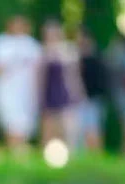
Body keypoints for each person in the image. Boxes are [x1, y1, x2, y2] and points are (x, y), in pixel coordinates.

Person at [0, 15, 42, 152]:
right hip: (5, 91)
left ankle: (19, 152)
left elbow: (40, 71)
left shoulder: (32, 45)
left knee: (25, 125)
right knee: (11, 123)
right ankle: (15, 151)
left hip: (27, 93)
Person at [38, 19, 85, 151]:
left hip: (66, 93)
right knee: (48, 129)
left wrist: (78, 93)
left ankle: (72, 154)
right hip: (49, 94)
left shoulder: (69, 50)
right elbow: (40, 78)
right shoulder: (43, 52)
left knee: (69, 128)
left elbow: (74, 76)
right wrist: (39, 97)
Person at [77, 27, 108, 150]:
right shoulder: (77, 57)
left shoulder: (97, 57)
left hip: (94, 99)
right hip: (81, 100)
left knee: (93, 128)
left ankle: (96, 151)